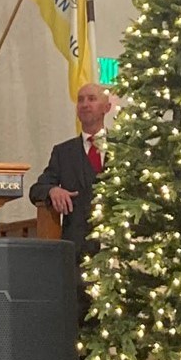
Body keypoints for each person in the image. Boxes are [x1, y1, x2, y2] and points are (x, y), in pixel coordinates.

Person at [28, 82, 111, 261]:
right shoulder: (63, 152)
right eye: (80, 100)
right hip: (78, 253)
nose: (85, 104)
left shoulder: (124, 148)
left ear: (107, 107)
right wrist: (52, 190)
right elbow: (36, 190)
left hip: (118, 247)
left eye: (92, 99)